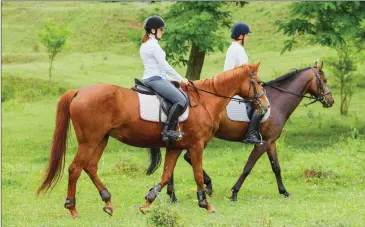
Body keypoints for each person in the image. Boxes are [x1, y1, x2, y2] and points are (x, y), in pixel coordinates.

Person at [140, 15, 189, 142]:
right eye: (161, 29)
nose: (163, 32)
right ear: (153, 30)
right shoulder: (153, 46)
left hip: (152, 77)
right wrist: (181, 78)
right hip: (155, 79)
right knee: (181, 99)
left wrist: (172, 80)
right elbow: (164, 66)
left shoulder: (146, 44)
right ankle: (168, 130)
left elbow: (159, 69)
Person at [224, 22, 264, 145]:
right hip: (237, 84)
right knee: (261, 105)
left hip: (240, 82)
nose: (247, 37)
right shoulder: (237, 49)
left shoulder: (235, 48)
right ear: (241, 36)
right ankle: (251, 134)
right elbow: (235, 71)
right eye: (246, 35)